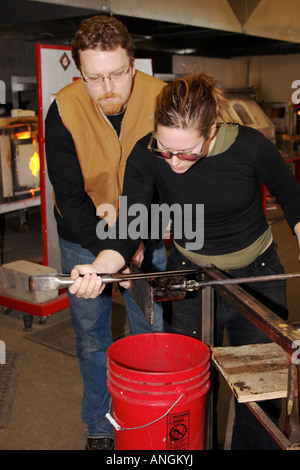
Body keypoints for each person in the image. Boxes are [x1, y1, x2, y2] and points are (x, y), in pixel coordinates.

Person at [69, 71, 300, 450]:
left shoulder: (250, 148)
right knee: (188, 389)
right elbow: (129, 228)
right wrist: (101, 267)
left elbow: (292, 198)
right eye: (166, 149)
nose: (175, 162)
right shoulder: (146, 154)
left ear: (211, 132)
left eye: (188, 152)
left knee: (262, 391)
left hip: (258, 275)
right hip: (190, 280)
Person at [44, 15, 167, 450]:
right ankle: (99, 425)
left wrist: (137, 240)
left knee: (149, 330)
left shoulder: (163, 99)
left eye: (117, 74)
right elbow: (72, 199)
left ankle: (149, 417)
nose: (108, 87)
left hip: (146, 227)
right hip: (82, 232)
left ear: (134, 65)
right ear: (80, 72)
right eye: (94, 78)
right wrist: (111, 253)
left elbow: (172, 181)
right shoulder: (63, 109)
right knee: (92, 336)